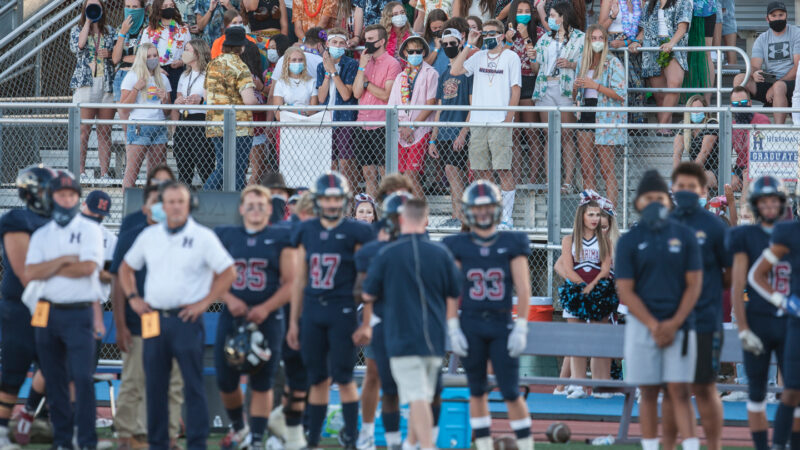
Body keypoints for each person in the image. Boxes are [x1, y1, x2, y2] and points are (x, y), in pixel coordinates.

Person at [119, 182, 237, 450]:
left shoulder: (203, 236)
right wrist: (133, 298)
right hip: (154, 320)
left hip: (187, 321)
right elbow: (126, 268)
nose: (174, 206)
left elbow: (229, 272)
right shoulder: (149, 236)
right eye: (169, 201)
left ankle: (196, 443)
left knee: (193, 386)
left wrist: (205, 302)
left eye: (179, 201)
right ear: (162, 205)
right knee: (155, 386)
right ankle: (158, 443)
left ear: (189, 204)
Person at [362, 198, 460, 450]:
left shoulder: (386, 253)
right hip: (435, 336)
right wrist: (452, 327)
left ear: (401, 220)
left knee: (417, 397)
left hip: (401, 335)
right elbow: (453, 293)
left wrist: (369, 321)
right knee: (425, 395)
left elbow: (368, 293)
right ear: (426, 220)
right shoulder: (442, 253)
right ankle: (412, 443)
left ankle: (423, 445)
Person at [286, 172, 375, 449]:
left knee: (345, 378)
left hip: (343, 311)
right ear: (318, 200)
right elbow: (299, 278)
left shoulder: (357, 231)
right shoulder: (306, 229)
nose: (332, 203)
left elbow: (369, 279)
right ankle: (312, 438)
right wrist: (293, 322)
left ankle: (351, 436)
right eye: (327, 198)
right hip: (312, 310)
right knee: (317, 379)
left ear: (344, 200)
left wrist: (367, 321)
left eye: (337, 198)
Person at [442, 181, 533, 450]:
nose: (482, 213)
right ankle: (482, 444)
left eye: (487, 207)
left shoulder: (511, 242)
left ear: (496, 209)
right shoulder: (458, 244)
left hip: (501, 323)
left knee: (510, 390)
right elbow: (450, 289)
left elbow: (524, 289)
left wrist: (522, 326)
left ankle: (527, 445)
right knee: (477, 390)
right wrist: (452, 325)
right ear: (469, 211)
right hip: (470, 323)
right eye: (478, 208)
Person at [615, 169, 701, 450]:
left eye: (659, 198)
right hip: (643, 326)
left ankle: (689, 445)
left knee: (679, 390)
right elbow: (625, 289)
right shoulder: (628, 240)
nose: (654, 203)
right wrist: (654, 325)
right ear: (639, 202)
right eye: (648, 198)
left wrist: (674, 322)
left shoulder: (685, 236)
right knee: (648, 391)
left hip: (681, 324)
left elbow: (694, 285)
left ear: (669, 201)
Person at [25, 170, 103, 450]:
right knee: (55, 381)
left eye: (72, 195)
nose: (67, 199)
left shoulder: (90, 229)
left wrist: (52, 267)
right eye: (62, 194)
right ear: (52, 197)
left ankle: (85, 441)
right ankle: (62, 441)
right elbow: (32, 272)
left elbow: (88, 268)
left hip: (79, 313)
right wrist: (63, 261)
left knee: (81, 378)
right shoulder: (42, 234)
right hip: (48, 313)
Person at [214, 185, 295, 449]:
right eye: (250, 205)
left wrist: (266, 308)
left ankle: (257, 439)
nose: (255, 210)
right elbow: (210, 276)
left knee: (262, 381)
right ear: (241, 208)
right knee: (226, 378)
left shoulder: (281, 237)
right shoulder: (226, 236)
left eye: (261, 205)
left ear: (269, 209)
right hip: (233, 315)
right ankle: (240, 428)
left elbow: (291, 283)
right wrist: (229, 298)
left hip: (268, 318)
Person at [110, 184, 185, 450]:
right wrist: (119, 325)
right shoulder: (132, 236)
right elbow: (118, 281)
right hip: (138, 322)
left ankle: (169, 437)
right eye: (156, 201)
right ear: (145, 207)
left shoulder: (184, 236)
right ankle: (126, 437)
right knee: (133, 381)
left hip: (172, 323)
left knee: (173, 383)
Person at [661, 162, 730, 450]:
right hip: (670, 324)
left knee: (704, 388)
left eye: (693, 187)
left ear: (704, 189)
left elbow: (729, 274)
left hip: (705, 321)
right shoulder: (663, 225)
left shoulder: (715, 225)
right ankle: (669, 445)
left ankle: (713, 446)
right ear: (673, 188)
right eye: (682, 186)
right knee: (672, 389)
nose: (688, 192)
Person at [728, 176, 790, 450]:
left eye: (773, 201)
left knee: (792, 392)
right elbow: (738, 284)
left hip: (789, 322)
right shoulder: (745, 236)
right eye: (763, 201)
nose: (768, 206)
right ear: (755, 204)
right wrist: (742, 329)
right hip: (757, 319)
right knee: (755, 393)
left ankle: (784, 443)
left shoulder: (793, 232)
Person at [353, 191, 413, 450]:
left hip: (407, 319)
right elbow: (362, 288)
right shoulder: (372, 246)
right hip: (379, 317)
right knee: (374, 375)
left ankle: (403, 435)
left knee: (405, 376)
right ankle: (366, 431)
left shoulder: (418, 244)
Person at [0, 166, 54, 448]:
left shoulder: (60, 220)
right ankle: (1, 431)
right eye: (47, 191)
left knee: (54, 364)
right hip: (20, 303)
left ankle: (28, 415)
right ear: (30, 193)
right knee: (14, 369)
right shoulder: (17, 219)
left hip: (52, 304)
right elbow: (25, 270)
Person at [450, 19, 521, 229]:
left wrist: (508, 119)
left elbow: (515, 89)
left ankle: (507, 217)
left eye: (493, 33)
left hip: (500, 121)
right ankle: (491, 214)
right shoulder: (478, 56)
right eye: (486, 33)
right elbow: (455, 70)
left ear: (501, 35)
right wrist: (469, 45)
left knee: (503, 169)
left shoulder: (511, 56)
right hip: (479, 122)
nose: (489, 37)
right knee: (482, 172)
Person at [554, 190, 616, 399]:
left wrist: (594, 287)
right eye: (590, 215)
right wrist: (582, 287)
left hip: (600, 292)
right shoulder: (568, 239)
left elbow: (606, 269)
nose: (594, 219)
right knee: (577, 340)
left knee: (599, 341)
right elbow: (566, 267)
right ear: (581, 215)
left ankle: (600, 386)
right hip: (576, 291)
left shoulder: (605, 240)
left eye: (597, 215)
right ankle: (578, 385)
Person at [532, 2, 584, 193]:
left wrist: (571, 64)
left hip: (567, 89)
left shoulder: (580, 38)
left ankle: (568, 183)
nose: (550, 20)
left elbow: (589, 63)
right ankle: (549, 182)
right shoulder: (545, 38)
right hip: (545, 88)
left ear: (563, 16)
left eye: (553, 15)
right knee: (548, 137)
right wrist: (531, 57)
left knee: (567, 136)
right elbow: (535, 68)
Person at [573, 25, 625, 208]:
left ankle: (611, 214)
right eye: (593, 38)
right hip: (585, 112)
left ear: (605, 41)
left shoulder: (613, 62)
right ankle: (590, 212)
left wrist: (594, 85)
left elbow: (621, 93)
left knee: (606, 169)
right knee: (587, 169)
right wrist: (575, 88)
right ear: (588, 41)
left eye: (600, 38)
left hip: (605, 114)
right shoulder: (582, 62)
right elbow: (576, 95)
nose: (596, 42)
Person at [204, 27, 260, 191]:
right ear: (242, 47)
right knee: (235, 169)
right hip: (239, 126)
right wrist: (260, 103)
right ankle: (202, 200)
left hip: (215, 124)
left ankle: (231, 204)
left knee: (224, 166)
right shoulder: (241, 67)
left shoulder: (212, 64)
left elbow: (206, 93)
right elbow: (249, 101)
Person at [428, 25, 470, 228]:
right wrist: (433, 138)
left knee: (454, 174)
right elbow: (439, 107)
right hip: (444, 131)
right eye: (445, 44)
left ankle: (460, 218)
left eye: (452, 44)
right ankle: (456, 216)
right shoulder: (444, 73)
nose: (449, 47)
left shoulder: (467, 71)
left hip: (459, 131)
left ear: (461, 43)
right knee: (452, 175)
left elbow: (473, 105)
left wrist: (463, 132)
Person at [388, 35, 440, 199]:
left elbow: (431, 103)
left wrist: (412, 126)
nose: (415, 53)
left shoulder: (431, 73)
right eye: (411, 51)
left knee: (412, 175)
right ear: (405, 52)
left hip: (420, 130)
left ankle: (421, 218)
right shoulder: (400, 77)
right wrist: (402, 127)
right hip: (400, 132)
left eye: (419, 51)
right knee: (402, 177)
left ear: (424, 52)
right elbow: (392, 107)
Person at [353, 24, 402, 198]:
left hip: (382, 124)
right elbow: (356, 93)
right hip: (363, 124)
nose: (367, 43)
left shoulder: (392, 64)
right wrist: (361, 68)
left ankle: (388, 212)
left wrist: (367, 83)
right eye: (366, 40)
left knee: (385, 174)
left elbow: (386, 95)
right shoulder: (364, 62)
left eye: (371, 40)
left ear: (382, 41)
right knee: (368, 175)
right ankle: (371, 211)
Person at [628, 0, 692, 133]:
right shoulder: (650, 4)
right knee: (660, 96)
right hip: (652, 49)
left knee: (675, 83)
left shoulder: (683, 2)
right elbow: (644, 30)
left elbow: (682, 28)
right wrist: (636, 42)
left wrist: (671, 43)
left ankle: (661, 126)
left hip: (673, 47)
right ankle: (665, 129)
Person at [70, 0, 116, 183]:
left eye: (97, 5)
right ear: (84, 8)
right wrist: (88, 21)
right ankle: (80, 172)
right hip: (86, 83)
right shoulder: (77, 29)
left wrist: (110, 55)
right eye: (90, 5)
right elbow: (78, 46)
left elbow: (117, 56)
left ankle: (104, 174)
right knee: (83, 130)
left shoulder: (110, 31)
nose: (94, 8)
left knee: (105, 131)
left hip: (106, 84)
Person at [733, 2, 800, 125]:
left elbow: (798, 67)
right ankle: (742, 124)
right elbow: (753, 66)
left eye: (781, 15)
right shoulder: (762, 38)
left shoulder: (796, 33)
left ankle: (778, 132)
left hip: (793, 83)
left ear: (786, 16)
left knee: (779, 87)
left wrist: (775, 87)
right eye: (774, 16)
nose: (778, 18)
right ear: (767, 18)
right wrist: (755, 73)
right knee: (740, 79)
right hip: (771, 81)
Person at [119, 43, 172, 190]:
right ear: (142, 58)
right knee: (132, 172)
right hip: (139, 127)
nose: (153, 59)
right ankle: (126, 207)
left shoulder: (163, 78)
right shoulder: (132, 76)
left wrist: (164, 99)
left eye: (155, 56)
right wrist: (136, 88)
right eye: (149, 56)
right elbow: (123, 108)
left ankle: (153, 207)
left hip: (159, 127)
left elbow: (167, 111)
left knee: (156, 175)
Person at [317, 28, 359, 193]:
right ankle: (334, 196)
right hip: (327, 119)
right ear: (327, 44)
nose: (338, 45)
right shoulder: (322, 66)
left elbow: (346, 94)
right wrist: (327, 73)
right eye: (334, 42)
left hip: (345, 117)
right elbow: (321, 98)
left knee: (345, 163)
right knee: (331, 164)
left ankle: (351, 198)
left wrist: (334, 72)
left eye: (341, 43)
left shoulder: (351, 64)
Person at [505, 0, 539, 185]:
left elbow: (536, 67)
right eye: (519, 11)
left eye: (527, 11)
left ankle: (533, 178)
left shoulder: (539, 33)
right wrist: (508, 41)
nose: (523, 14)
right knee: (514, 134)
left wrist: (527, 37)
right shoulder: (506, 33)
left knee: (532, 132)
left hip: (530, 82)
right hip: (510, 85)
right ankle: (516, 178)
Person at [172, 39, 213, 186]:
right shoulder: (184, 75)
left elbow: (215, 101)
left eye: (188, 49)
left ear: (198, 52)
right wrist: (178, 102)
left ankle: (213, 198)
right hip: (184, 121)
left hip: (201, 121)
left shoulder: (209, 74)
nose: (185, 53)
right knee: (183, 165)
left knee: (204, 165)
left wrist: (201, 100)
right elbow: (179, 97)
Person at [598, 0, 644, 124]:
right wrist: (613, 16)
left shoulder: (639, 2)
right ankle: (619, 123)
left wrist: (628, 42)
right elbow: (599, 29)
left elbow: (644, 28)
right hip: (614, 46)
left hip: (632, 46)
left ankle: (636, 126)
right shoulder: (609, 1)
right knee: (618, 85)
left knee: (637, 85)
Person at [142, 0, 192, 101]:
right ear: (158, 9)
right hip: (155, 71)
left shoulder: (183, 30)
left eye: (171, 6)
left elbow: (190, 53)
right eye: (165, 6)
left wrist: (182, 62)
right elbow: (142, 54)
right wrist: (156, 69)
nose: (169, 8)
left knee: (175, 102)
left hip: (177, 72)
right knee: (157, 101)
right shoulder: (148, 31)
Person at [113, 0, 148, 138]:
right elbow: (116, 59)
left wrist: (128, 58)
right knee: (126, 128)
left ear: (142, 9)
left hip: (140, 77)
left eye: (135, 7)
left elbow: (147, 56)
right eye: (127, 7)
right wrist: (122, 33)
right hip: (121, 77)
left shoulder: (148, 29)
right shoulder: (120, 29)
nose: (131, 10)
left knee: (141, 125)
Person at [671, 95, 719, 189]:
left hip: (714, 169)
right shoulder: (684, 126)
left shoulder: (711, 124)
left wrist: (691, 174)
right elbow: (677, 154)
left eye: (699, 109)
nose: (696, 112)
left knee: (698, 179)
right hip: (695, 170)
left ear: (705, 110)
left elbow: (704, 152)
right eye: (693, 109)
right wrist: (676, 176)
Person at [732, 87, 770, 192]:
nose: (739, 106)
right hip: (740, 167)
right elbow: (724, 154)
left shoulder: (762, 120)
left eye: (743, 102)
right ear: (731, 106)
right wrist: (731, 174)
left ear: (749, 103)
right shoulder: (732, 125)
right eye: (735, 104)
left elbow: (765, 151)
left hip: (760, 166)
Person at [119, 164, 176, 233]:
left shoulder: (180, 220)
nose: (161, 185)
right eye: (157, 181)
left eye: (166, 182)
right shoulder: (131, 221)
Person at [272, 47, 319, 119]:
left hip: (307, 125)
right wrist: (304, 112)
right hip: (287, 127)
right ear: (287, 62)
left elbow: (313, 111)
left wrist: (288, 110)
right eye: (294, 60)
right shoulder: (280, 83)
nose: (297, 63)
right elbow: (278, 115)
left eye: (300, 60)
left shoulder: (312, 81)